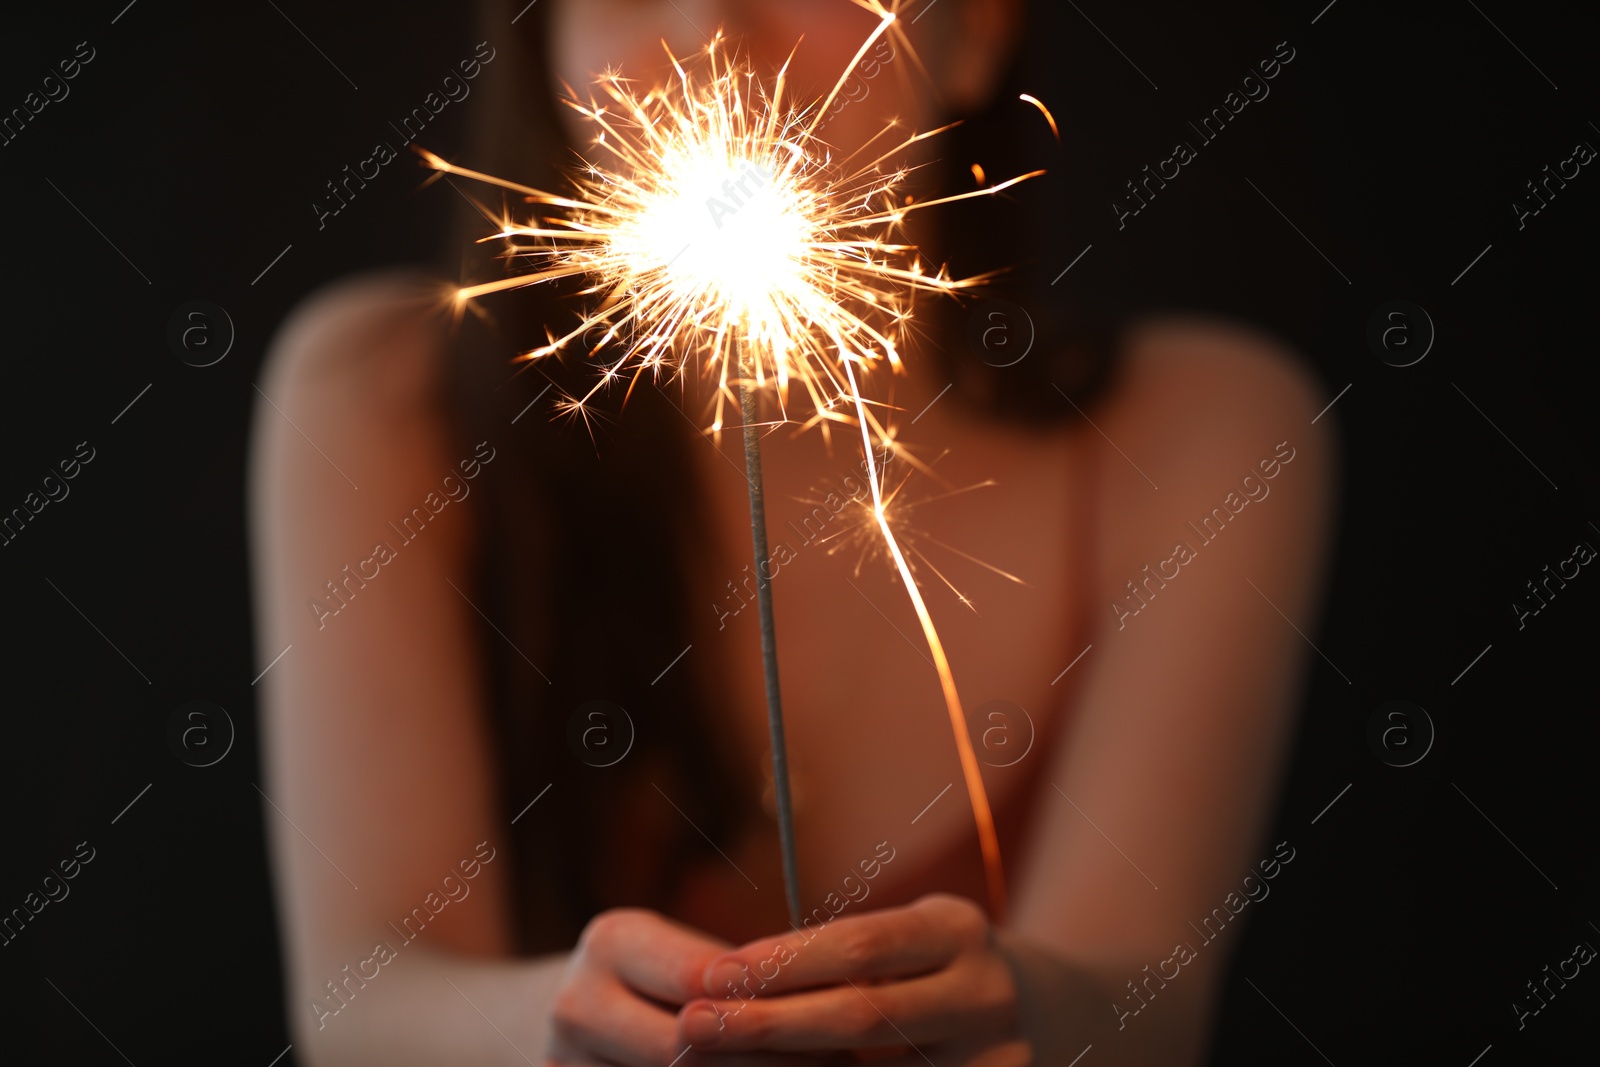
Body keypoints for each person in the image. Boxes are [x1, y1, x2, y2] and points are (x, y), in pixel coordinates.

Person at [249, 1, 1336, 1064]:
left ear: (979, 30)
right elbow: (363, 1003)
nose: (705, 38)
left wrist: (1021, 1010)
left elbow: (1146, 1011)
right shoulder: (389, 400)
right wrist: (562, 1032)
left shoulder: (1200, 431)